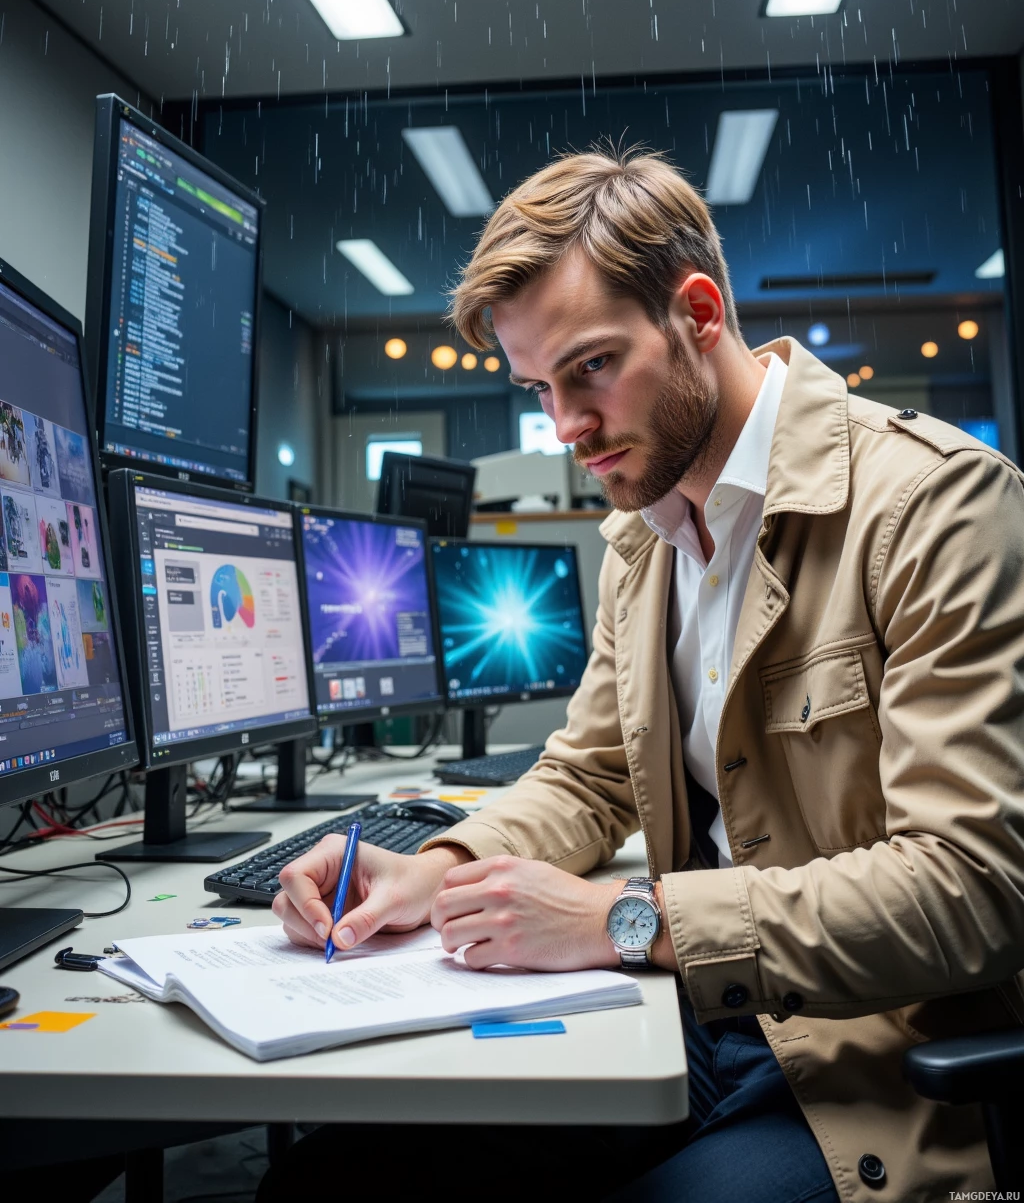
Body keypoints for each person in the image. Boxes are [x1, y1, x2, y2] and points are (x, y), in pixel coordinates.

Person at [262, 147, 1024, 1203]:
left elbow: (973, 892)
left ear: (698, 313)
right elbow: (588, 774)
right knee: (332, 1184)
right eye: (539, 387)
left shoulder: (935, 508)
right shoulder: (644, 544)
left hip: (874, 1062)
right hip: (694, 1021)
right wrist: (438, 867)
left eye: (591, 368)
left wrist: (625, 919)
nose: (564, 428)